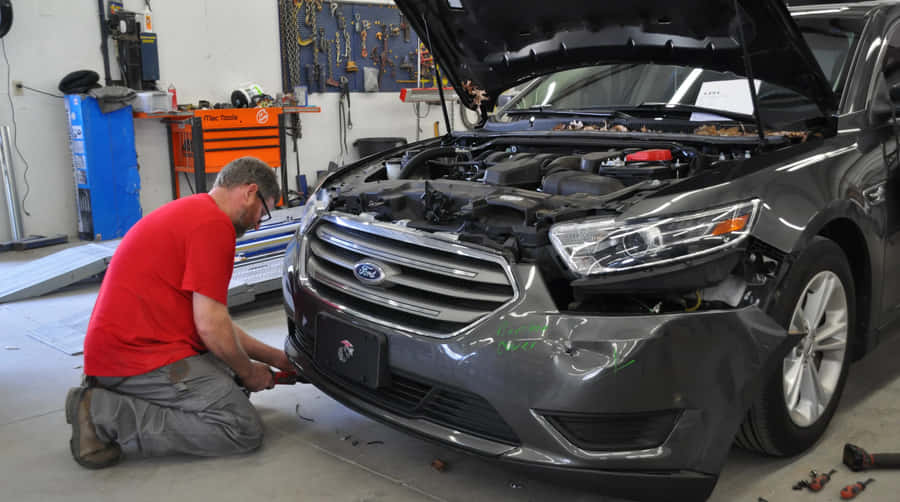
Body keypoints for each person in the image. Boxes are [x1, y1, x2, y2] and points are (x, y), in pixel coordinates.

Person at [65, 156, 295, 469]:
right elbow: (211, 328)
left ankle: (118, 396)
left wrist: (276, 360)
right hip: (134, 356)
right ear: (249, 191)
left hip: (132, 347)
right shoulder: (214, 227)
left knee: (233, 379)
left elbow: (216, 323)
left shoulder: (194, 212)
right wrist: (250, 371)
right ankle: (103, 413)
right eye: (263, 212)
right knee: (240, 428)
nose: (257, 224)